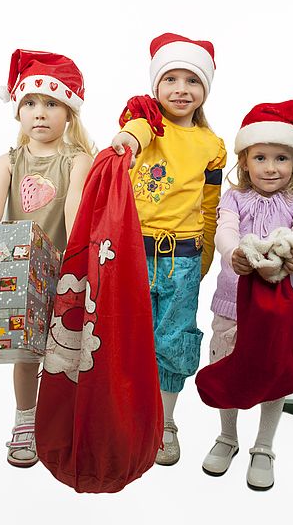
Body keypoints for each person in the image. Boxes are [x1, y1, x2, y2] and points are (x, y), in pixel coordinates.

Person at [201, 99, 293, 490]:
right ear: (244, 161)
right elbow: (225, 230)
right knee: (229, 366)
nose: (271, 167)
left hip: (279, 307)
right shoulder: (234, 199)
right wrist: (234, 253)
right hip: (232, 304)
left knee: (277, 371)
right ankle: (228, 436)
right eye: (261, 157)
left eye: (281, 159)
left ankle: (263, 445)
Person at [111, 33, 227, 466]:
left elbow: (211, 206)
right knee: (127, 333)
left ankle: (166, 420)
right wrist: (130, 138)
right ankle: (126, 413)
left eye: (192, 81)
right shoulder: (144, 123)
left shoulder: (211, 146)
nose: (181, 89)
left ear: (205, 90)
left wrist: (207, 252)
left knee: (174, 337)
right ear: (157, 86)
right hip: (132, 253)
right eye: (171, 79)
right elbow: (135, 133)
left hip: (182, 257)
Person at [0, 49, 95, 467]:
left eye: (51, 103)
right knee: (27, 354)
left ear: (69, 114)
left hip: (64, 269)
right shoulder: (7, 162)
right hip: (19, 270)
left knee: (64, 352)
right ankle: (25, 421)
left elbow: (74, 211)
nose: (39, 113)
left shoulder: (77, 160)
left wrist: (72, 257)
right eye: (29, 103)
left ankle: (62, 422)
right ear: (17, 111)